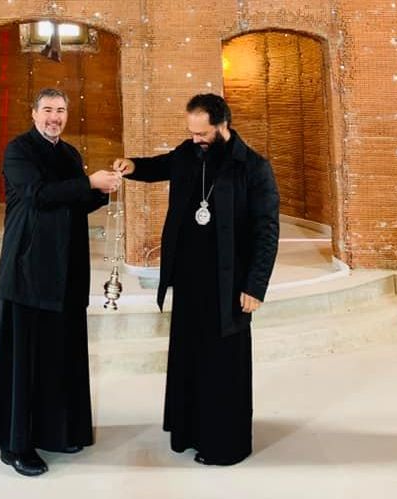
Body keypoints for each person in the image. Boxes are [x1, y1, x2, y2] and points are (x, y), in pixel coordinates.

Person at [112, 93, 279, 465]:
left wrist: (255, 286)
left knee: (223, 365)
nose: (196, 140)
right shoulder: (188, 154)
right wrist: (132, 165)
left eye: (202, 134)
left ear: (223, 126)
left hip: (229, 285)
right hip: (188, 282)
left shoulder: (252, 167)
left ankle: (223, 444)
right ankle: (188, 432)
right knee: (190, 359)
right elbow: (160, 166)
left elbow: (267, 231)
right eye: (191, 133)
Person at [0, 88, 122, 476]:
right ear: (33, 114)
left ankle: (59, 432)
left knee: (61, 358)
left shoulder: (69, 154)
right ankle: (17, 446)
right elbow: (37, 195)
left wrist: (105, 190)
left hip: (66, 274)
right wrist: (89, 184)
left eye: (61, 111)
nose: (54, 117)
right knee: (25, 363)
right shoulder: (19, 151)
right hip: (28, 272)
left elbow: (74, 202)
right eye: (47, 110)